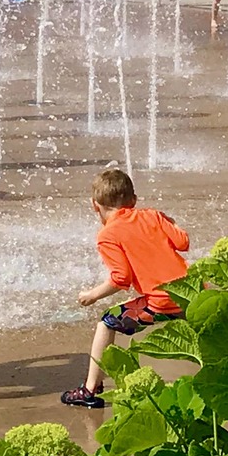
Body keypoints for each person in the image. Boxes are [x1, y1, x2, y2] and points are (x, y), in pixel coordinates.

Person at [60, 166, 190, 409]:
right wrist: (166, 220)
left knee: (107, 322)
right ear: (134, 200)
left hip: (161, 301)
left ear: (94, 205)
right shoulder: (152, 215)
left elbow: (121, 278)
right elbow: (183, 242)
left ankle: (90, 389)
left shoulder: (108, 234)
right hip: (191, 293)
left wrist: (92, 295)